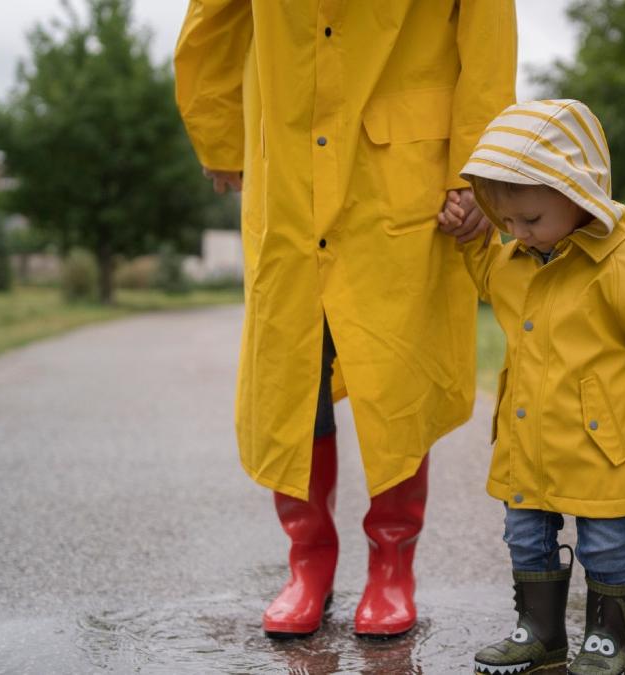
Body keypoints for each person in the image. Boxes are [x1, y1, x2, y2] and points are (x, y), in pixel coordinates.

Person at [173, 1, 517, 639]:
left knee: (399, 373)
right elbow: (211, 18)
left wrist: (479, 170)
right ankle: (309, 562)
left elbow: (489, 41)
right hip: (289, 163)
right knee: (294, 368)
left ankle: (392, 564)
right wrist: (220, 133)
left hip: (404, 176)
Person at [437, 99, 625, 675]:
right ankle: (539, 631)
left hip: (603, 442)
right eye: (506, 221)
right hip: (529, 437)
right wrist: (472, 236)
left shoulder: (622, 260)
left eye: (530, 220)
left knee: (606, 542)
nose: (517, 232)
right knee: (524, 534)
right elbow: (487, 274)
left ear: (579, 193)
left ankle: (607, 638)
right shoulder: (514, 255)